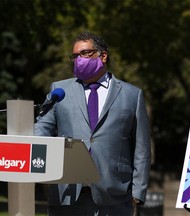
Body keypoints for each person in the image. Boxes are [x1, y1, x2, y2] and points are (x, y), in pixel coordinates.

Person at [35, 32, 151, 216]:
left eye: (84, 53)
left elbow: (141, 148)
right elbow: (41, 130)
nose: (78, 60)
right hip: (67, 192)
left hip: (114, 195)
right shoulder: (59, 90)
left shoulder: (132, 95)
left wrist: (138, 192)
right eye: (75, 56)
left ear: (103, 56)